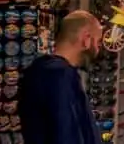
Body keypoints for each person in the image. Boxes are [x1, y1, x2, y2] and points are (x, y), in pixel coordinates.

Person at [18, 11, 104, 144]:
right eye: (98, 42)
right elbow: (67, 134)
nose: (98, 50)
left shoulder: (39, 71)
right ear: (86, 39)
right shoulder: (61, 76)